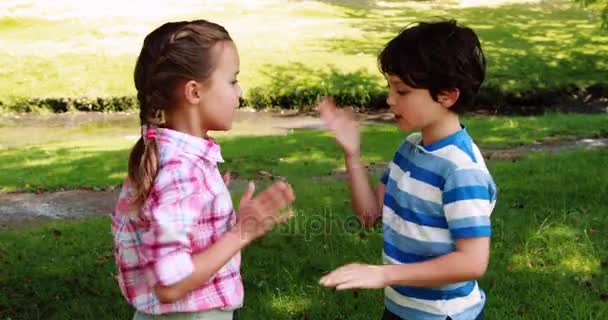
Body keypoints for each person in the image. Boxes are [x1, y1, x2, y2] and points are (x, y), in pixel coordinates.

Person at [112, 20, 295, 320]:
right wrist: (240, 233)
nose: (240, 91)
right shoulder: (180, 171)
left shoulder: (169, 155)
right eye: (233, 80)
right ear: (194, 92)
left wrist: (220, 226)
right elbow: (169, 285)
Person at [318, 20, 497, 320]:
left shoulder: (461, 170)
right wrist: (352, 155)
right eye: (390, 87)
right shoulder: (410, 149)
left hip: (443, 315)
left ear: (447, 95)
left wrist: (385, 275)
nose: (390, 99)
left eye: (402, 91)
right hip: (401, 308)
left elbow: (472, 262)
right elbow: (370, 216)